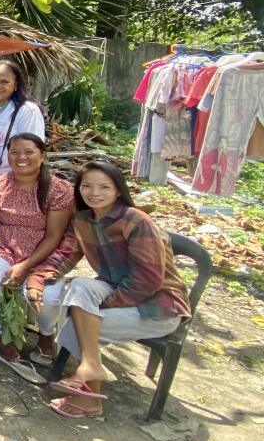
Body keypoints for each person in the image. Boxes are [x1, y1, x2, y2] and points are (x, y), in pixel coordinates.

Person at [27, 161, 191, 419]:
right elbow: (65, 255)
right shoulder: (82, 220)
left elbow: (147, 280)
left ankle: (89, 395)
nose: (94, 193)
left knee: (77, 324)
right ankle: (92, 369)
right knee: (80, 287)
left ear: (118, 190)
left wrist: (98, 309)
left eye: (104, 187)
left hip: (158, 307)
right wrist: (38, 277)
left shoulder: (136, 221)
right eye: (87, 186)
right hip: (115, 291)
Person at [0, 133, 73, 382]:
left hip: (42, 253)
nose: (21, 157)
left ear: (42, 155)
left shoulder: (59, 190)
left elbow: (54, 236)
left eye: (28, 152)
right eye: (14, 152)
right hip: (3, 247)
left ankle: (46, 335)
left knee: (49, 295)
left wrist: (25, 266)